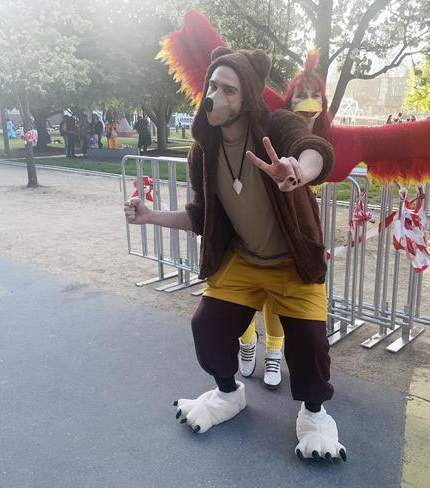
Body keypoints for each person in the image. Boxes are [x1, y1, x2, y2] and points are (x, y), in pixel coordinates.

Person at [124, 47, 347, 463]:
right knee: (206, 325)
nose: (215, 96)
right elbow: (201, 217)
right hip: (244, 261)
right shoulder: (202, 152)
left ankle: (314, 416)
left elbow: (313, 146)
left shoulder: (275, 127)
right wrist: (151, 215)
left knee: (312, 346)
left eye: (228, 89)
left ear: (246, 96)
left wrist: (299, 170)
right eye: (212, 86)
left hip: (291, 263)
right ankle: (228, 394)